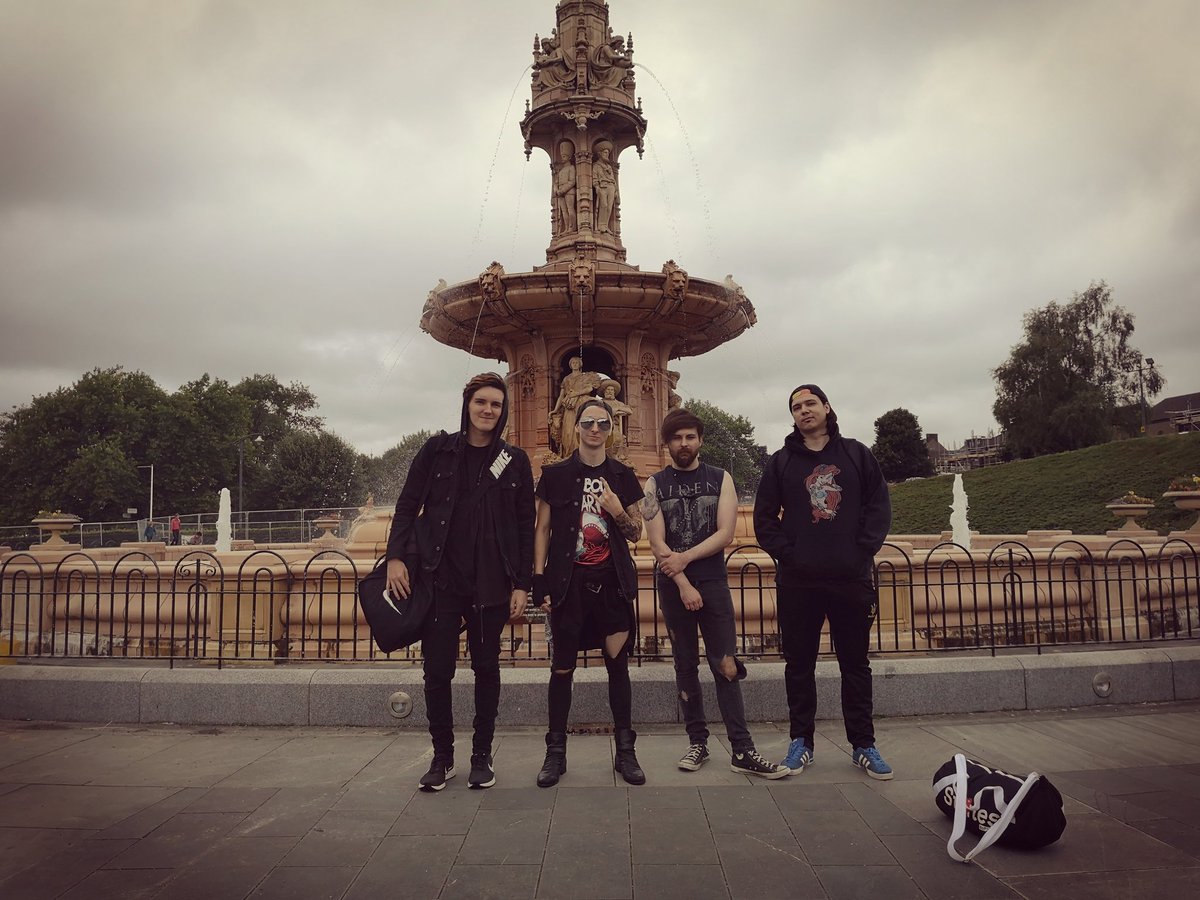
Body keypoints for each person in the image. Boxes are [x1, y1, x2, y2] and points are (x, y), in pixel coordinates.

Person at [385, 372, 535, 792]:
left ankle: (481, 756)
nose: (488, 410)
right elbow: (407, 504)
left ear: (503, 413)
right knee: (437, 671)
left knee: (487, 669)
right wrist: (396, 556)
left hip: (491, 583)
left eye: (496, 405)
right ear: (467, 405)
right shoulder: (437, 450)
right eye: (481, 402)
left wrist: (523, 583)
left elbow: (527, 525)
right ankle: (443, 756)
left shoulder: (515, 460)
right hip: (440, 580)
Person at [753, 384, 894, 780]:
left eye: (810, 403)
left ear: (827, 407)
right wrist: (790, 554)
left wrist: (860, 551)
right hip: (799, 582)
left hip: (850, 578)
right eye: (796, 407)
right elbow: (764, 519)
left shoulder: (855, 454)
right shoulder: (781, 462)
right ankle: (801, 741)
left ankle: (863, 743)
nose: (803, 411)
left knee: (856, 664)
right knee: (799, 665)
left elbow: (878, 507)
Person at [644, 409, 787, 779]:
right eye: (677, 438)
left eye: (690, 437)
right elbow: (656, 541)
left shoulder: (720, 478)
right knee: (685, 665)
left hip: (712, 582)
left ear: (700, 440)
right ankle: (698, 743)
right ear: (667, 443)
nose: (684, 443)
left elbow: (725, 533)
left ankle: (742, 749)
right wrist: (683, 583)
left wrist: (687, 562)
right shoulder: (654, 484)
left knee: (725, 664)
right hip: (675, 586)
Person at [532, 397, 645, 787]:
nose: (595, 429)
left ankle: (626, 752)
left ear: (611, 429)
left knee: (618, 667)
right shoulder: (555, 474)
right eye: (588, 422)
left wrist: (615, 509)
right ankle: (555, 753)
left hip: (612, 584)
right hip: (568, 585)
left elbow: (636, 533)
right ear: (576, 427)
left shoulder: (623, 475)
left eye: (603, 423)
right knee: (561, 669)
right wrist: (538, 579)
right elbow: (541, 529)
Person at [592, 142, 618, 234]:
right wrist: (596, 186)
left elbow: (613, 179)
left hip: (611, 187)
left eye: (608, 153)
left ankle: (606, 226)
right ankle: (601, 225)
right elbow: (594, 177)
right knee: (604, 205)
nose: (607, 155)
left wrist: (616, 190)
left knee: (609, 207)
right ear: (600, 154)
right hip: (602, 186)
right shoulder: (596, 165)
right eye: (605, 153)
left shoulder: (609, 167)